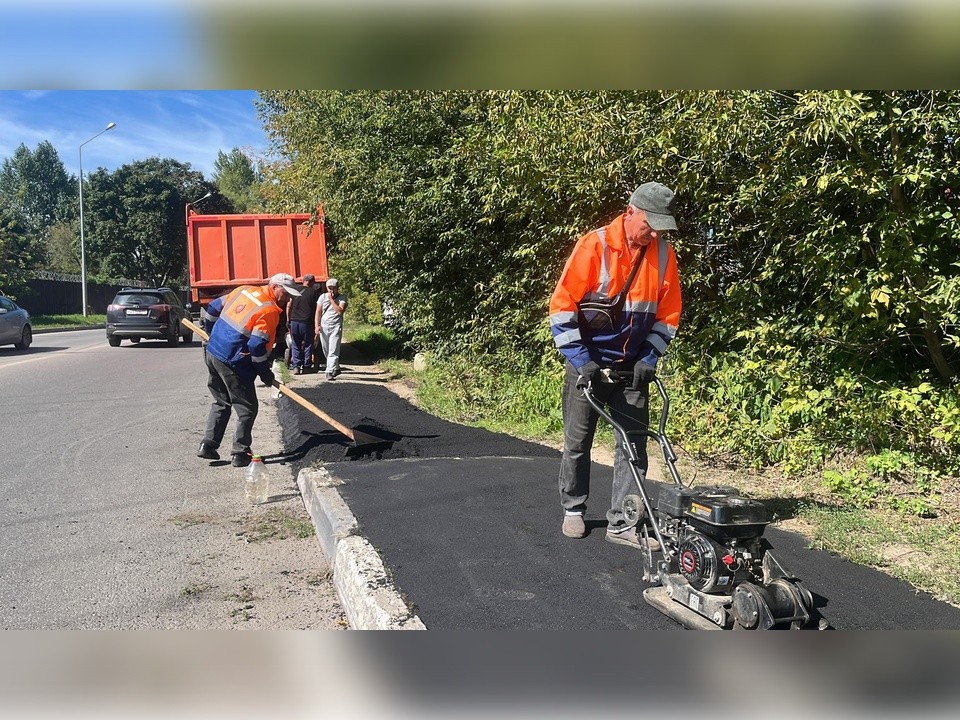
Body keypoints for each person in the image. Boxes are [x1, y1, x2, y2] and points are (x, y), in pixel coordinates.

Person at [549, 182, 682, 549]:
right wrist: (581, 360)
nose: (654, 232)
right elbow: (562, 308)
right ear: (631, 212)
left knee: (634, 445)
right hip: (588, 363)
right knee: (578, 442)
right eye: (650, 223)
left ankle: (623, 522)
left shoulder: (663, 254)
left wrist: (650, 356)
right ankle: (573, 509)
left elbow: (668, 314)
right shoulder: (594, 246)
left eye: (661, 226)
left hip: (633, 366)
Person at [197, 272, 302, 467]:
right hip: (233, 361)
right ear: (274, 286)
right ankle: (240, 452)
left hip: (212, 353)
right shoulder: (269, 311)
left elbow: (212, 309)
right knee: (247, 408)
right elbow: (256, 347)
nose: (287, 298)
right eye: (286, 293)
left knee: (221, 402)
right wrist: (264, 372)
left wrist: (213, 334)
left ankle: (207, 445)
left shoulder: (243, 290)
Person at [286, 274, 321, 374]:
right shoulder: (314, 293)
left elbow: (289, 306)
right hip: (307, 323)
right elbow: (318, 309)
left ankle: (296, 367)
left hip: (294, 322)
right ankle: (306, 367)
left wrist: (288, 321)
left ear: (303, 281)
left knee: (295, 344)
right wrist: (317, 324)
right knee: (308, 344)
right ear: (312, 282)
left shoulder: (295, 291)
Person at [315, 277, 348, 380]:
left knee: (333, 349)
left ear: (337, 288)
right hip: (324, 326)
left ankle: (329, 371)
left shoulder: (342, 298)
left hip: (336, 326)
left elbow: (340, 311)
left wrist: (332, 300)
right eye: (329, 288)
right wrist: (317, 325)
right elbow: (318, 312)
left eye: (333, 288)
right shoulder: (322, 297)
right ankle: (336, 368)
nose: (331, 290)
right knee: (326, 350)